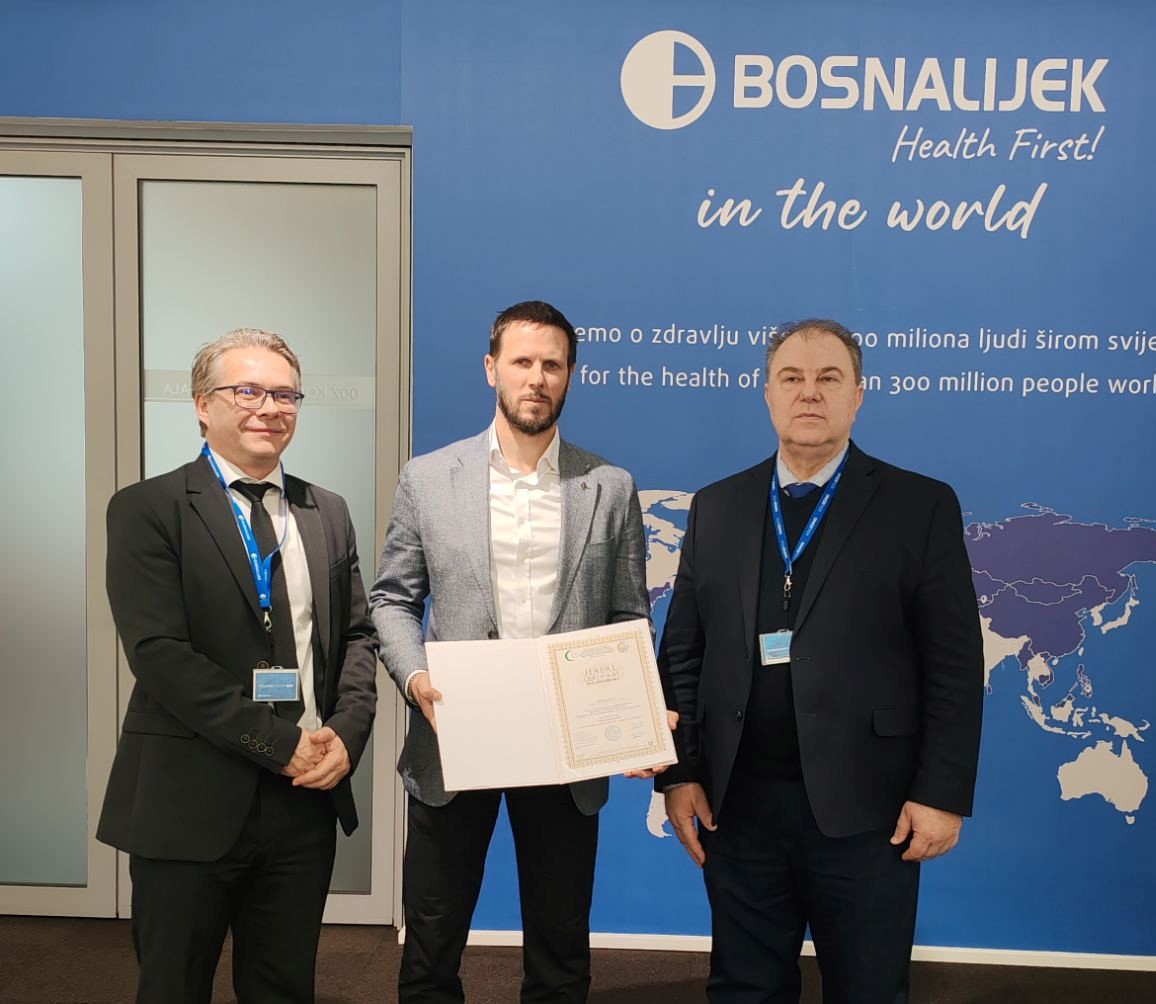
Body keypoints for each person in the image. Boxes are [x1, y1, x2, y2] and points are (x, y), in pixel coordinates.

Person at [657, 318, 983, 1003]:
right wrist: (679, 773)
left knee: (868, 990)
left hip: (870, 811)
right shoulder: (717, 506)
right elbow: (683, 651)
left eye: (829, 378)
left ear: (858, 395)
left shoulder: (919, 505)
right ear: (768, 394)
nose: (810, 393)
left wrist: (942, 793)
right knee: (743, 989)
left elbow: (953, 663)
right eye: (792, 378)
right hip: (737, 807)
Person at [370, 299, 651, 1004]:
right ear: (491, 368)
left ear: (570, 375)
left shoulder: (609, 486)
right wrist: (416, 677)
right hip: (453, 732)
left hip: (564, 745)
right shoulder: (429, 478)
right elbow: (392, 600)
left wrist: (631, 714)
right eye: (522, 361)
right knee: (432, 939)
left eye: (552, 364)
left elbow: (627, 616)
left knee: (560, 944)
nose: (537, 378)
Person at [97, 328, 378, 1004]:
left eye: (285, 395)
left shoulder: (327, 510)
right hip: (189, 798)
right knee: (173, 986)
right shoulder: (148, 508)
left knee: (284, 987)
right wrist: (280, 744)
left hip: (303, 801)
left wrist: (347, 733)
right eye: (247, 391)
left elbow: (357, 637)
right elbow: (160, 656)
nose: (269, 408)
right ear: (203, 404)